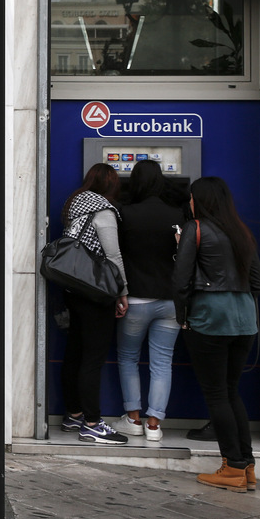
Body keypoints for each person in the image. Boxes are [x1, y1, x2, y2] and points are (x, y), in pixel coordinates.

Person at [173, 176, 260, 492]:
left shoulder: (194, 230)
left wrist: (183, 318)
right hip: (244, 320)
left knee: (216, 394)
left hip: (210, 318)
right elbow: (258, 282)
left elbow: (180, 281)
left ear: (200, 200)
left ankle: (232, 468)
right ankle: (247, 466)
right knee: (231, 390)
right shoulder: (242, 232)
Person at [111, 161, 189, 442]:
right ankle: (154, 425)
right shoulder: (177, 214)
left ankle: (132, 418)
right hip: (169, 302)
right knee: (162, 363)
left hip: (135, 300)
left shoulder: (125, 213)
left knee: (128, 358)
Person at [59, 163, 129, 445]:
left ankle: (74, 413)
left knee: (75, 352)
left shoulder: (74, 205)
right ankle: (92, 423)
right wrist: (122, 292)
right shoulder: (103, 210)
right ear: (111, 186)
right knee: (93, 357)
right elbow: (113, 256)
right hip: (95, 291)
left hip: (73, 289)